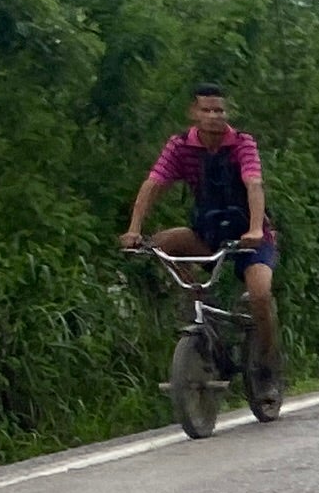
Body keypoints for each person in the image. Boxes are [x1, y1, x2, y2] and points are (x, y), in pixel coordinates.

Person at [120, 82, 282, 384]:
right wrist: (134, 231)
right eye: (206, 110)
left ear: (227, 112)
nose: (214, 116)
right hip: (209, 234)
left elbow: (254, 184)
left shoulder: (242, 143)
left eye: (219, 110)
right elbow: (153, 184)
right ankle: (196, 297)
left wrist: (256, 228)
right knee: (161, 243)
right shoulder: (180, 145)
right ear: (193, 112)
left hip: (249, 237)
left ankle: (267, 359)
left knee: (260, 294)